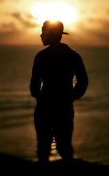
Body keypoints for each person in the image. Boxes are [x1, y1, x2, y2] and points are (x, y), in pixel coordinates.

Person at [30, 20, 88, 164]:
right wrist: (71, 97)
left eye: (43, 31)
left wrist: (42, 97)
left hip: (45, 109)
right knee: (64, 148)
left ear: (51, 34)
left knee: (44, 148)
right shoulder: (73, 56)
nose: (41, 35)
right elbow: (83, 82)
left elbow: (34, 86)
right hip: (64, 108)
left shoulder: (41, 56)